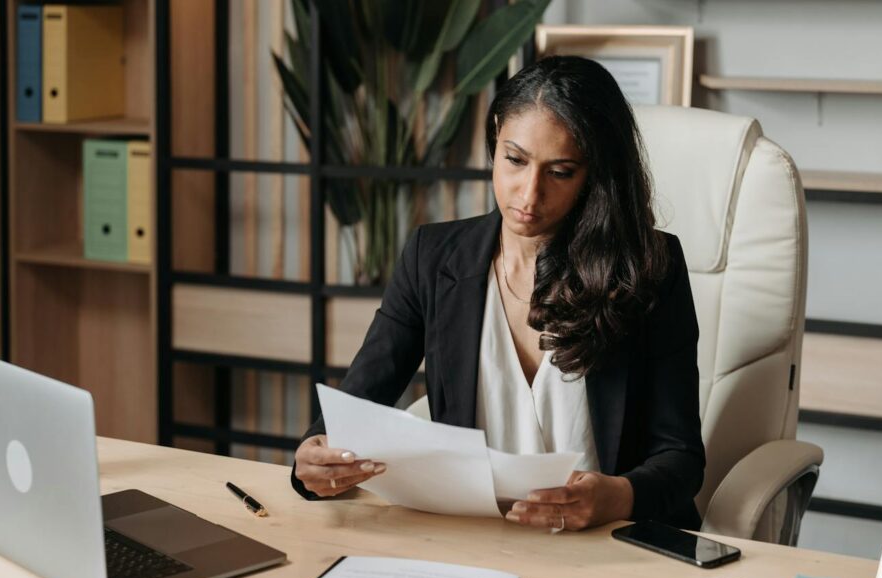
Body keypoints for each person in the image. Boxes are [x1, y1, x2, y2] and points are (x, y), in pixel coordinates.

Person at [291, 55, 705, 532]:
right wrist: (315, 455)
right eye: (514, 160)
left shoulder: (649, 267)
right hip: (477, 538)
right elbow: (357, 405)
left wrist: (615, 497)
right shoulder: (434, 257)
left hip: (609, 540)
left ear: (596, 174)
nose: (528, 196)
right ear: (494, 139)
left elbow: (681, 458)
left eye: (561, 171)